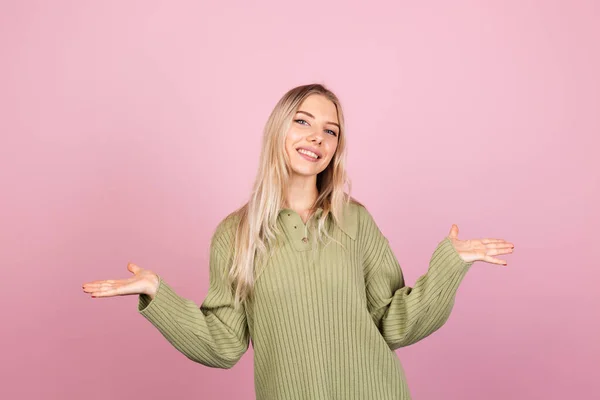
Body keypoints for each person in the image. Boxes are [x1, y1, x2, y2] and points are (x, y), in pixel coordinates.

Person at [82, 83, 514, 399]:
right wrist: (159, 295)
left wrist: (449, 267)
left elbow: (394, 322)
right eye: (303, 121)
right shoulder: (235, 235)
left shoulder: (355, 221)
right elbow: (223, 343)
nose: (316, 137)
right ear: (279, 131)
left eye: (331, 130)